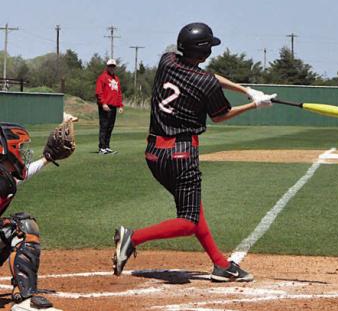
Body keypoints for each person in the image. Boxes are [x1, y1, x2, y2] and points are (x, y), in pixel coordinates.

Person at [113, 22, 276, 282]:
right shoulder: (206, 84)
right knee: (188, 221)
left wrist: (245, 90)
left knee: (194, 211)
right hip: (181, 156)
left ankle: (221, 265)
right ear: (204, 52)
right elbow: (221, 115)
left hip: (154, 154)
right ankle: (133, 238)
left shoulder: (167, 61)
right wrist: (254, 105)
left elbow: (209, 77)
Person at [0, 118, 75, 311]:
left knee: (14, 227)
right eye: (20, 147)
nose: (23, 153)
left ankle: (24, 294)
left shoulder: (4, 178)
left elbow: (23, 176)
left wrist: (47, 159)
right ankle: (27, 302)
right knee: (21, 228)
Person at [95, 58, 124, 155]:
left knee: (110, 127)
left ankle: (107, 146)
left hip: (113, 106)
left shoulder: (116, 79)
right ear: (107, 67)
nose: (112, 68)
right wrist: (103, 103)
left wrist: (120, 105)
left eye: (113, 66)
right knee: (104, 126)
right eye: (110, 66)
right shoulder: (102, 77)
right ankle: (101, 147)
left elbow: (119, 93)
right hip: (105, 106)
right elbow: (99, 92)